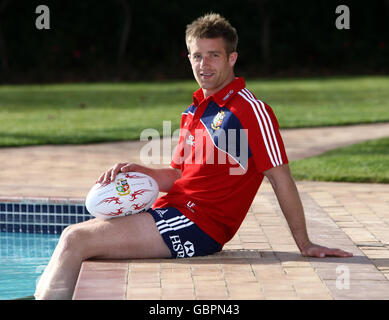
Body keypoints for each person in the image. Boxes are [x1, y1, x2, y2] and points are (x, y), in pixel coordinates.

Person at [34, 13, 352, 300]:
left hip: (198, 224)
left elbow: (280, 178)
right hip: (173, 211)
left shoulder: (250, 111)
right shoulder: (195, 110)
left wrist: (305, 243)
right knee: (82, 244)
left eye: (214, 55)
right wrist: (138, 169)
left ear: (232, 58)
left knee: (74, 239)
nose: (204, 65)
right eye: (198, 56)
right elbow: (177, 176)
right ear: (189, 58)